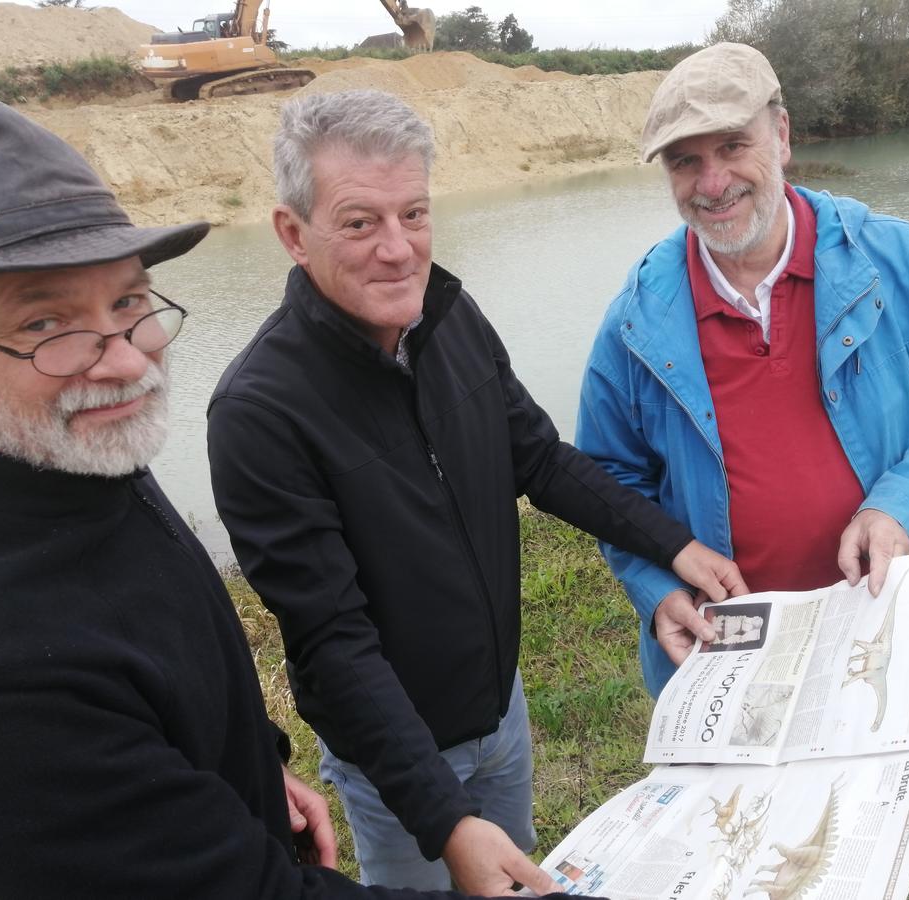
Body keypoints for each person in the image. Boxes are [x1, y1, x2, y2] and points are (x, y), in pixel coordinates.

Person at [0, 93, 545, 900]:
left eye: (127, 302)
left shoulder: (69, 453)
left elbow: (174, 637)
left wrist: (255, 764)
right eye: (46, 323)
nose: (123, 361)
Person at [575, 44, 909, 900]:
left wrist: (901, 509)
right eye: (685, 161)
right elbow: (605, 480)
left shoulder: (892, 259)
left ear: (781, 134)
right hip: (735, 646)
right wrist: (651, 582)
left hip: (897, 612)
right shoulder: (636, 319)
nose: (712, 182)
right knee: (772, 854)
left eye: (731, 147)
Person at [206, 89, 744, 895]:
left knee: (518, 866)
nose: (399, 249)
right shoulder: (259, 411)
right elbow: (333, 643)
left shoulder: (448, 315)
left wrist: (672, 543)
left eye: (415, 214)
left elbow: (541, 460)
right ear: (293, 233)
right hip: (400, 756)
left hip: (503, 707)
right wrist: (444, 819)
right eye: (360, 222)